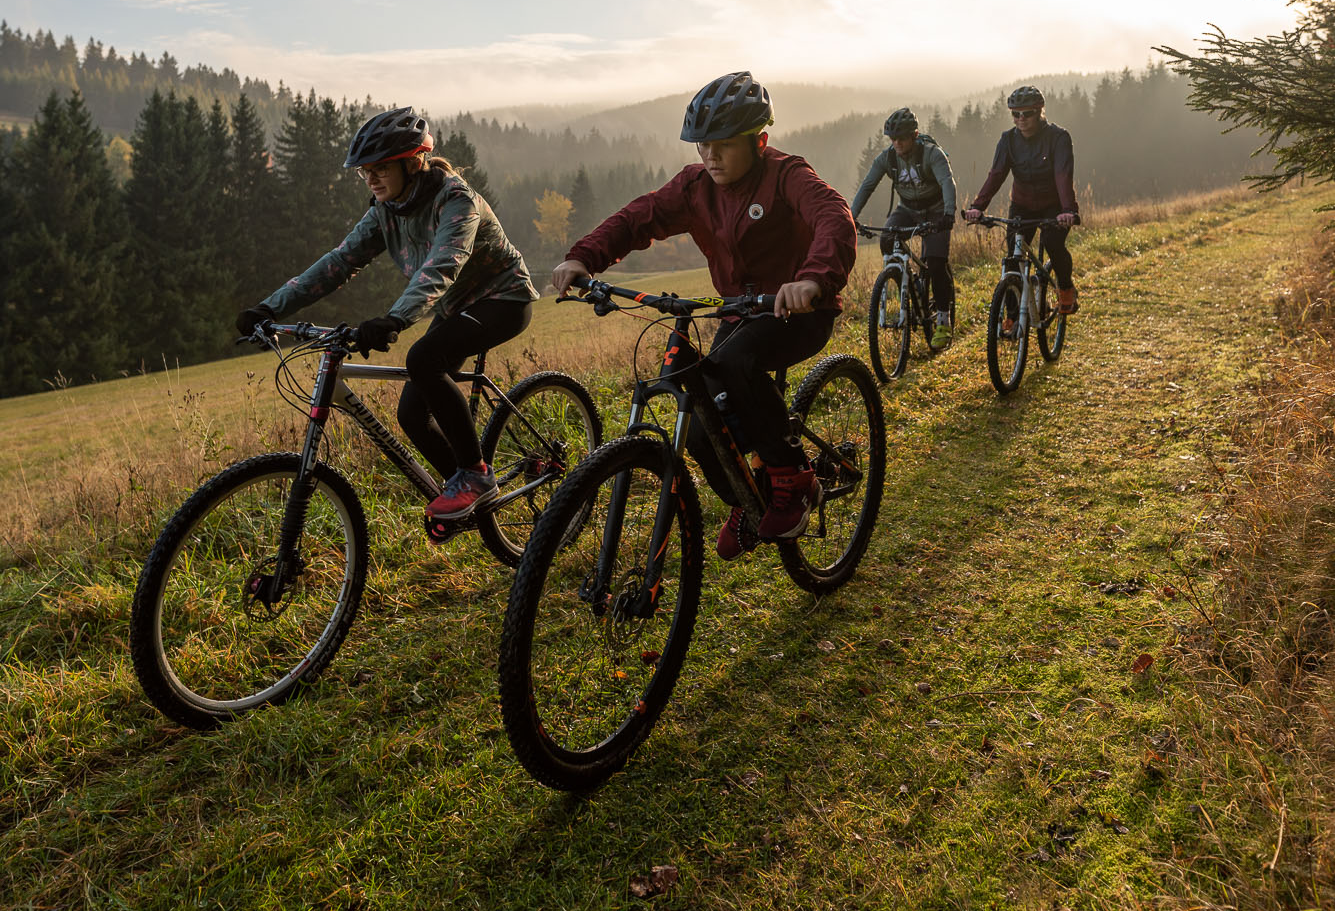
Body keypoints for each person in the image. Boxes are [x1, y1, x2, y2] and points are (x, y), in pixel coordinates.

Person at [550, 71, 857, 559]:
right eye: (701, 146)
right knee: (696, 419)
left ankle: (793, 477)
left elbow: (833, 216)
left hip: (799, 310)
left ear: (760, 141)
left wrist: (813, 279)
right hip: (738, 316)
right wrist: (584, 256)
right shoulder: (697, 187)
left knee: (735, 367)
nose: (709, 156)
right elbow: (640, 216)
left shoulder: (785, 175)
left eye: (723, 145)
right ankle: (749, 499)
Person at [235, 107, 539, 534]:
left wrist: (395, 319)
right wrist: (270, 308)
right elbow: (339, 263)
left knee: (424, 359)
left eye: (380, 169)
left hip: (503, 299)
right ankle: (466, 497)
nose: (371, 179)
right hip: (455, 307)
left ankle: (475, 475)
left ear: (413, 163)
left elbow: (442, 267)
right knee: (413, 416)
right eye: (365, 172)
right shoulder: (386, 209)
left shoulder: (457, 201)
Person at [962, 85, 1080, 319]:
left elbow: (1062, 175)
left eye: (1027, 113)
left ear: (1040, 112)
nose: (1021, 119)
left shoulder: (1058, 138)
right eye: (1015, 114)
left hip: (1054, 205)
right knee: (1013, 259)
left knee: (1052, 244)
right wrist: (977, 207)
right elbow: (996, 175)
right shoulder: (1007, 140)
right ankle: (1012, 316)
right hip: (1022, 205)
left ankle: (1065, 287)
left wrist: (1068, 210)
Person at [850, 107, 957, 348]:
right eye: (893, 139)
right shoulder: (887, 158)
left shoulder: (932, 154)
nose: (897, 143)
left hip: (936, 209)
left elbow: (947, 182)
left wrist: (948, 214)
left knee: (937, 263)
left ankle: (943, 320)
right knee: (887, 240)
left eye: (902, 138)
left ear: (915, 135)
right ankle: (902, 280)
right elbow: (867, 186)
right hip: (907, 209)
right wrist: (850, 216)